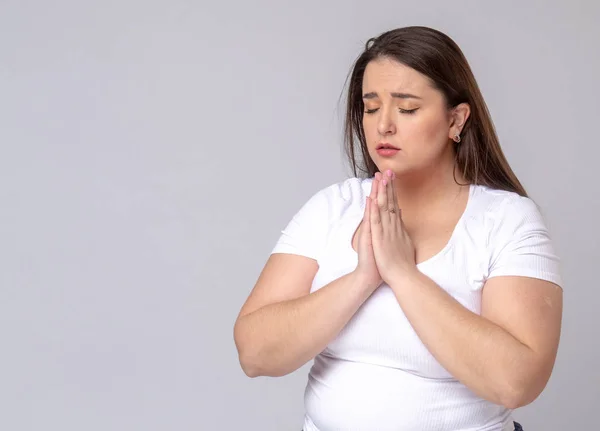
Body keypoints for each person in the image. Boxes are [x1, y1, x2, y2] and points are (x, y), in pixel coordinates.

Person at [233, 26, 563, 431]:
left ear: (455, 120)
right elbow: (254, 353)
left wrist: (403, 275)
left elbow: (517, 382)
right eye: (371, 108)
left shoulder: (507, 220)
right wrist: (363, 277)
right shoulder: (331, 208)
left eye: (406, 109)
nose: (383, 125)